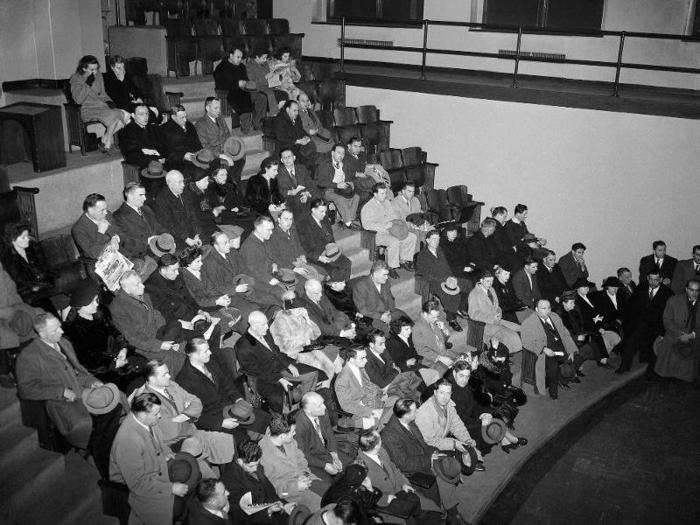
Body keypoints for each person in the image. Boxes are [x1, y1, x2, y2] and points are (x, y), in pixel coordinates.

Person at [15, 313, 101, 451]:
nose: (61, 331)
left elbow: (76, 371)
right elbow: (25, 390)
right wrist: (60, 391)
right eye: (55, 330)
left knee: (115, 399)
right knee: (84, 424)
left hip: (79, 388)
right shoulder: (28, 356)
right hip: (58, 400)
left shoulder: (64, 342)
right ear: (42, 334)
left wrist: (91, 381)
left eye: (59, 326)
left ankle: (104, 441)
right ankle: (94, 448)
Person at [131, 360, 235, 465]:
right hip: (173, 445)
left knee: (228, 443)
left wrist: (183, 415)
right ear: (152, 379)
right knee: (199, 470)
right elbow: (171, 431)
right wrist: (188, 412)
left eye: (168, 372)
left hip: (192, 432)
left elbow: (197, 402)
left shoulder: (171, 385)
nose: (169, 376)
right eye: (164, 374)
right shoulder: (146, 401)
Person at [110, 393, 184, 524]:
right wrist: (171, 488)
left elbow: (158, 439)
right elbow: (138, 484)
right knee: (177, 506)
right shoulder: (127, 441)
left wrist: (165, 450)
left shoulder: (146, 419)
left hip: (155, 466)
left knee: (186, 466)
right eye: (156, 413)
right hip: (140, 487)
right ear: (142, 415)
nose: (160, 416)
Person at [62, 281, 147, 393]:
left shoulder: (101, 313)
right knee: (137, 386)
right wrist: (114, 363)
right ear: (80, 306)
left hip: (123, 355)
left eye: (97, 300)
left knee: (150, 369)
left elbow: (116, 332)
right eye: (92, 302)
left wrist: (124, 348)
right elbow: (87, 361)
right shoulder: (74, 330)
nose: (96, 304)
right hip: (108, 370)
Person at [175, 338, 270, 437]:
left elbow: (226, 383)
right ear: (193, 355)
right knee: (243, 439)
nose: (210, 353)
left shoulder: (210, 362)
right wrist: (221, 423)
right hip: (213, 418)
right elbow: (192, 416)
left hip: (230, 406)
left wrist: (238, 399)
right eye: (205, 351)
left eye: (209, 349)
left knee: (264, 420)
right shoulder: (183, 381)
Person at [380, 399, 462, 514]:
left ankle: (452, 511)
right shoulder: (389, 435)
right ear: (406, 415)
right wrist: (429, 459)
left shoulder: (409, 422)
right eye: (415, 410)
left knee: (447, 462)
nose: (418, 411)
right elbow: (404, 464)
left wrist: (435, 453)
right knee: (444, 472)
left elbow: (423, 445)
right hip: (414, 470)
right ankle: (452, 513)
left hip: (424, 458)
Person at [144, 255, 222, 365]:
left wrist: (199, 311)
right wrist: (182, 323)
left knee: (216, 329)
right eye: (174, 270)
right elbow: (161, 315)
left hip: (189, 314)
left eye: (177, 268)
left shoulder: (178, 274)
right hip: (175, 323)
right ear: (163, 269)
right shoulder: (150, 288)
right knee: (199, 339)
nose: (177, 273)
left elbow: (188, 296)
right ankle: (204, 363)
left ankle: (213, 358)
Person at [235, 311, 318, 413]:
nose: (267, 327)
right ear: (253, 326)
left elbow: (277, 352)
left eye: (266, 323)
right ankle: (288, 413)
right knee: (278, 397)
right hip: (263, 377)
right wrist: (280, 379)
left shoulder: (265, 333)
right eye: (263, 325)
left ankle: (305, 407)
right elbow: (255, 371)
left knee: (313, 374)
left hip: (279, 367)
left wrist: (289, 364)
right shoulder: (242, 346)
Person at [109, 270, 186, 374]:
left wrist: (166, 334)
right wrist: (159, 345)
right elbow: (132, 338)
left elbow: (156, 315)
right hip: (145, 345)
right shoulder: (118, 308)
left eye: (140, 282)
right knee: (171, 358)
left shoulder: (143, 295)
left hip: (160, 334)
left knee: (183, 343)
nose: (143, 286)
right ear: (127, 289)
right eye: (137, 284)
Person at [442, 358, 525, 455]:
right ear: (454, 373)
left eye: (467, 376)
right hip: (462, 425)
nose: (464, 380)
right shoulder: (449, 393)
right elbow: (459, 420)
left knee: (492, 415)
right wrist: (480, 421)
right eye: (462, 376)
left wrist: (485, 413)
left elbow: (473, 403)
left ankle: (507, 441)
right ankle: (510, 440)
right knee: (492, 424)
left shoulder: (462, 383)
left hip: (471, 415)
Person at [356, 429, 442, 518]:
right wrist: (384, 499)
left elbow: (394, 469)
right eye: (380, 439)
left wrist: (404, 483)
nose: (382, 440)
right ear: (376, 446)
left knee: (431, 508)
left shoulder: (381, 451)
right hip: (385, 503)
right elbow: (365, 493)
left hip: (400, 490)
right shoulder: (360, 467)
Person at [259, 415, 327, 511]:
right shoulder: (263, 457)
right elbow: (275, 491)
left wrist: (305, 474)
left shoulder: (289, 440)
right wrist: (296, 487)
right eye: (293, 432)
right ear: (283, 436)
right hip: (291, 493)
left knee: (332, 493)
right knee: (323, 509)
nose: (294, 434)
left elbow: (301, 459)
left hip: (306, 478)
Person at [202, 230, 281, 313]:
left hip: (245, 285)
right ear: (216, 246)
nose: (229, 245)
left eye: (228, 241)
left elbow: (244, 270)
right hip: (231, 295)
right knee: (257, 309)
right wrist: (235, 289)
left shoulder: (232, 251)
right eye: (225, 243)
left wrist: (259, 280)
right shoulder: (210, 263)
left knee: (273, 296)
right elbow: (217, 287)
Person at [220, 440, 296, 524]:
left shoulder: (255, 467)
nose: (256, 468)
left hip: (270, 510)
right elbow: (239, 516)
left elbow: (270, 492)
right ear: (240, 461)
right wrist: (268, 511)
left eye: (257, 464)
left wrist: (283, 505)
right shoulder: (229, 481)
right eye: (251, 466)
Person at [414, 380, 483, 471]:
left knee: (469, 445)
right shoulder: (424, 413)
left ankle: (470, 459)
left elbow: (457, 425)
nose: (445, 397)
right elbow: (430, 441)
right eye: (442, 393)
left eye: (448, 393)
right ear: (435, 392)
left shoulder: (449, 405)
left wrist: (467, 439)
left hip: (442, 439)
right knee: (453, 469)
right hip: (426, 448)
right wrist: (453, 444)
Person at [617, 269, 673, 374]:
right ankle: (624, 366)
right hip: (640, 323)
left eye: (656, 280)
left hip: (657, 326)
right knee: (630, 343)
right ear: (648, 278)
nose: (653, 282)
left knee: (654, 352)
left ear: (661, 279)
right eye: (650, 279)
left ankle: (652, 370)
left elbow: (669, 315)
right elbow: (631, 305)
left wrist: (663, 332)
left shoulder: (668, 293)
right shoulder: (641, 287)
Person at [520, 300, 577, 399]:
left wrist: (571, 349)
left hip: (560, 347)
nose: (547, 311)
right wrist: (543, 349)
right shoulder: (528, 323)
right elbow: (526, 342)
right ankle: (553, 392)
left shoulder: (555, 317)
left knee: (572, 362)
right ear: (536, 309)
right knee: (553, 369)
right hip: (545, 352)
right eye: (543, 308)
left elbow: (565, 333)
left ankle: (562, 380)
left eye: (549, 308)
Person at [69, 55, 127, 152]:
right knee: (115, 116)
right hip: (87, 109)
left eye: (96, 69)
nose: (95, 72)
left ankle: (104, 140)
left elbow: (102, 94)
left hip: (101, 106)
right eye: (92, 69)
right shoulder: (76, 79)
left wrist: (109, 101)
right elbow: (78, 100)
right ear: (84, 68)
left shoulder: (98, 75)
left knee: (123, 115)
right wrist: (87, 84)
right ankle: (106, 143)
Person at [415, 229, 467, 330]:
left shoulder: (440, 250)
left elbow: (447, 267)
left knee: (464, 285)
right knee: (448, 293)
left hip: (446, 278)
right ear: (427, 240)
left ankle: (457, 309)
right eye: (434, 239)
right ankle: (452, 319)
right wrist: (444, 279)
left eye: (438, 239)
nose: (436, 242)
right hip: (433, 282)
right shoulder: (422, 255)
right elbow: (425, 274)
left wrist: (451, 277)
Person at [362, 183, 417, 277]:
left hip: (391, 229)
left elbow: (394, 214)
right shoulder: (368, 207)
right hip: (377, 234)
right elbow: (366, 225)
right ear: (375, 194)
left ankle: (404, 260)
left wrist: (393, 219)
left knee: (412, 237)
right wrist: (384, 225)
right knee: (394, 241)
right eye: (382, 193)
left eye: (385, 193)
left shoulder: (386, 202)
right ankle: (392, 267)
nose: (385, 196)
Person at [334, 345, 395, 430]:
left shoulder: (360, 368)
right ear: (351, 360)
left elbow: (370, 385)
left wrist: (382, 394)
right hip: (359, 411)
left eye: (365, 357)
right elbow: (346, 405)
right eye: (362, 358)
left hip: (371, 400)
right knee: (386, 422)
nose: (366, 360)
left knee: (395, 406)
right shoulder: (342, 380)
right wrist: (370, 411)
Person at [112, 182, 164, 278]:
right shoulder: (119, 216)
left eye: (145, 195)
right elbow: (125, 242)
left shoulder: (146, 208)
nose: (145, 198)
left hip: (158, 248)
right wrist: (147, 241)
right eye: (141, 195)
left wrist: (167, 239)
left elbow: (158, 226)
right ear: (130, 196)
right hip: (142, 254)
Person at [1, 222, 56, 309]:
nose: (27, 239)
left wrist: (46, 277)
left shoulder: (33, 246)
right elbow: (18, 280)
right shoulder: (8, 258)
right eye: (23, 237)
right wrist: (34, 286)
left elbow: (45, 266)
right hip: (28, 294)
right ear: (13, 240)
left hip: (45, 285)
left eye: (27, 236)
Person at [654, 278, 699, 382]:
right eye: (691, 290)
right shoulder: (673, 300)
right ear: (686, 289)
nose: (694, 293)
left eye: (697, 291)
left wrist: (692, 335)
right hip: (674, 335)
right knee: (668, 369)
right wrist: (680, 334)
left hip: (695, 337)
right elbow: (667, 320)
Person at [468, 269, 523, 355]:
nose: (490, 283)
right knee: (511, 335)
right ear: (481, 280)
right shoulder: (474, 294)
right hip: (484, 325)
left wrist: (498, 313)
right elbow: (473, 314)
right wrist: (491, 318)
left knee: (519, 328)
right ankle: (502, 355)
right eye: (487, 281)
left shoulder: (492, 290)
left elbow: (497, 306)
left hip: (496, 320)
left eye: (492, 281)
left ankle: (504, 353)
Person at [297, 199, 352, 284]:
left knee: (347, 263)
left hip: (330, 252)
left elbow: (331, 238)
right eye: (321, 211)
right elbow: (305, 247)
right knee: (336, 271)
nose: (324, 214)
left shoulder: (325, 219)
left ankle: (344, 286)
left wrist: (334, 249)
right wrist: (319, 257)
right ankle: (334, 289)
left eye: (325, 211)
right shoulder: (304, 224)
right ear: (313, 210)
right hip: (317, 256)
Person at [294, 392, 344, 484]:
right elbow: (302, 454)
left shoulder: (322, 412)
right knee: (332, 480)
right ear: (309, 411)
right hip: (313, 456)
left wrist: (334, 453)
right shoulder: (298, 426)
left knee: (345, 466)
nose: (324, 407)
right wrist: (324, 465)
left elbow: (329, 433)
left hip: (324, 448)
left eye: (323, 403)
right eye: (319, 405)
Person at [364, 329, 424, 402]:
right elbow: (382, 383)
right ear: (371, 345)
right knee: (412, 390)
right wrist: (396, 371)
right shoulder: (366, 360)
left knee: (418, 379)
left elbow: (393, 365)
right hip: (386, 390)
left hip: (395, 382)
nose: (384, 346)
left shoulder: (383, 350)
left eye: (384, 343)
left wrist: (395, 371)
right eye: (381, 344)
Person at [213, 47, 263, 133]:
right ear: (231, 56)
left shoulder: (242, 66)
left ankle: (257, 124)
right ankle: (246, 128)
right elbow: (221, 85)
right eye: (238, 57)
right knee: (244, 98)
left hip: (244, 89)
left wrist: (246, 83)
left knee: (261, 97)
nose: (240, 60)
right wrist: (237, 84)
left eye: (241, 57)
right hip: (229, 92)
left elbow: (246, 79)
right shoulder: (221, 67)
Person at [352, 260, 408, 332]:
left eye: (387, 274)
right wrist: (381, 317)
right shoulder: (361, 287)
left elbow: (390, 299)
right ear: (375, 274)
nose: (387, 277)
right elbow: (363, 310)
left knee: (405, 318)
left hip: (387, 312)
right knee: (385, 331)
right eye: (384, 275)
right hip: (372, 316)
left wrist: (389, 312)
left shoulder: (385, 282)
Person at [154, 170, 205, 249]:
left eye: (183, 181)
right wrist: (186, 239)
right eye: (179, 182)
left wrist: (197, 235)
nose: (183, 185)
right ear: (169, 183)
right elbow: (169, 225)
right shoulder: (161, 199)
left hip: (191, 233)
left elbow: (193, 215)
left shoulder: (185, 193)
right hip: (176, 237)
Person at [71, 193, 121, 272]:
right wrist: (100, 232)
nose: (106, 212)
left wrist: (115, 238)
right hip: (98, 264)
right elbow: (94, 253)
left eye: (105, 208)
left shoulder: (107, 215)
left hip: (118, 255)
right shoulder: (78, 229)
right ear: (90, 210)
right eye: (101, 210)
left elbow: (117, 230)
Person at [412, 299, 461, 380]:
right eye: (433, 317)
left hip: (444, 352)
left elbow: (443, 340)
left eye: (437, 316)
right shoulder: (417, 328)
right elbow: (421, 350)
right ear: (425, 314)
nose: (436, 319)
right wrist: (440, 358)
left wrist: (444, 330)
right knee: (448, 376)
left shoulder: (434, 321)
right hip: (431, 360)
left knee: (461, 363)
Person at [205, 161, 256, 236]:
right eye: (221, 175)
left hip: (236, 213)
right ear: (214, 176)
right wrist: (231, 210)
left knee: (254, 218)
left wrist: (238, 208)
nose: (225, 177)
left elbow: (240, 200)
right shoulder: (210, 190)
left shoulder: (231, 185)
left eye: (225, 174)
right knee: (248, 226)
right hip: (224, 218)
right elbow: (215, 211)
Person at [574, 277, 621, 358]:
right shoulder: (576, 302)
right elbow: (584, 319)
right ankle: (603, 359)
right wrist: (598, 327)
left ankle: (609, 355)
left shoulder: (590, 297)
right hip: (589, 327)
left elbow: (598, 312)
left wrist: (600, 323)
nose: (587, 288)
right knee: (605, 339)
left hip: (600, 324)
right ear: (578, 289)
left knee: (616, 337)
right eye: (584, 287)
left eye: (587, 287)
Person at [318, 144, 360, 230]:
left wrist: (350, 183)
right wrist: (336, 185)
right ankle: (348, 223)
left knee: (356, 197)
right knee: (340, 199)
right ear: (332, 153)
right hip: (329, 190)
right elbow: (320, 182)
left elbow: (350, 177)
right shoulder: (325, 165)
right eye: (338, 153)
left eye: (343, 153)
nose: (341, 155)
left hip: (342, 189)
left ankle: (347, 220)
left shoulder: (344, 165)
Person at [159, 105, 207, 181]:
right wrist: (183, 156)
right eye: (182, 117)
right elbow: (166, 153)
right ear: (173, 117)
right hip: (177, 163)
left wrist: (201, 154)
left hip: (194, 159)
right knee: (200, 174)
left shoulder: (189, 125)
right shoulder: (164, 130)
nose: (185, 120)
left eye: (185, 116)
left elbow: (198, 144)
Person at [273, 100, 316, 171]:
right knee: (303, 163)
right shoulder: (279, 120)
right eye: (294, 110)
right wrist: (297, 141)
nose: (297, 113)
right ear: (287, 110)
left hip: (298, 145)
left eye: (298, 110)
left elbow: (301, 130)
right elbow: (281, 138)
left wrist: (306, 137)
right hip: (286, 147)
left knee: (311, 147)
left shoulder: (297, 117)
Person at [119, 103, 164, 169]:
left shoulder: (152, 127)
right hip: (145, 166)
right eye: (141, 114)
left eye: (147, 114)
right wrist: (156, 160)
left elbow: (162, 144)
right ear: (133, 115)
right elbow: (133, 155)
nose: (145, 117)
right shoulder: (127, 132)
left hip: (160, 162)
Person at [277, 147, 319, 215]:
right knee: (300, 204)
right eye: (285, 158)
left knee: (317, 195)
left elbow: (310, 183)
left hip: (304, 193)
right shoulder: (278, 173)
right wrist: (289, 192)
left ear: (294, 158)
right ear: (282, 160)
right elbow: (278, 189)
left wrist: (307, 193)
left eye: (289, 156)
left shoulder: (301, 168)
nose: (287, 159)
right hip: (290, 198)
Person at [391, 181, 431, 247]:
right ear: (403, 191)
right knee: (415, 233)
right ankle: (416, 256)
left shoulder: (416, 200)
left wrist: (425, 222)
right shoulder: (395, 203)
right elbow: (397, 220)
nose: (412, 194)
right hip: (403, 227)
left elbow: (420, 214)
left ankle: (429, 254)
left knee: (431, 230)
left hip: (417, 225)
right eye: (409, 191)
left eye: (413, 192)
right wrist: (411, 225)